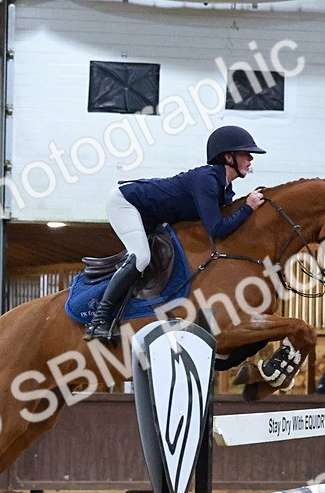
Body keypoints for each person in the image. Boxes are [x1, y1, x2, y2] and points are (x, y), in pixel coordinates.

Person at [83, 125, 267, 341]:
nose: (250, 159)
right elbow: (216, 229)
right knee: (141, 257)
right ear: (228, 157)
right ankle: (98, 321)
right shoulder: (207, 180)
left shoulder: (224, 189)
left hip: (151, 216)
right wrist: (248, 207)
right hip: (126, 202)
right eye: (246, 154)